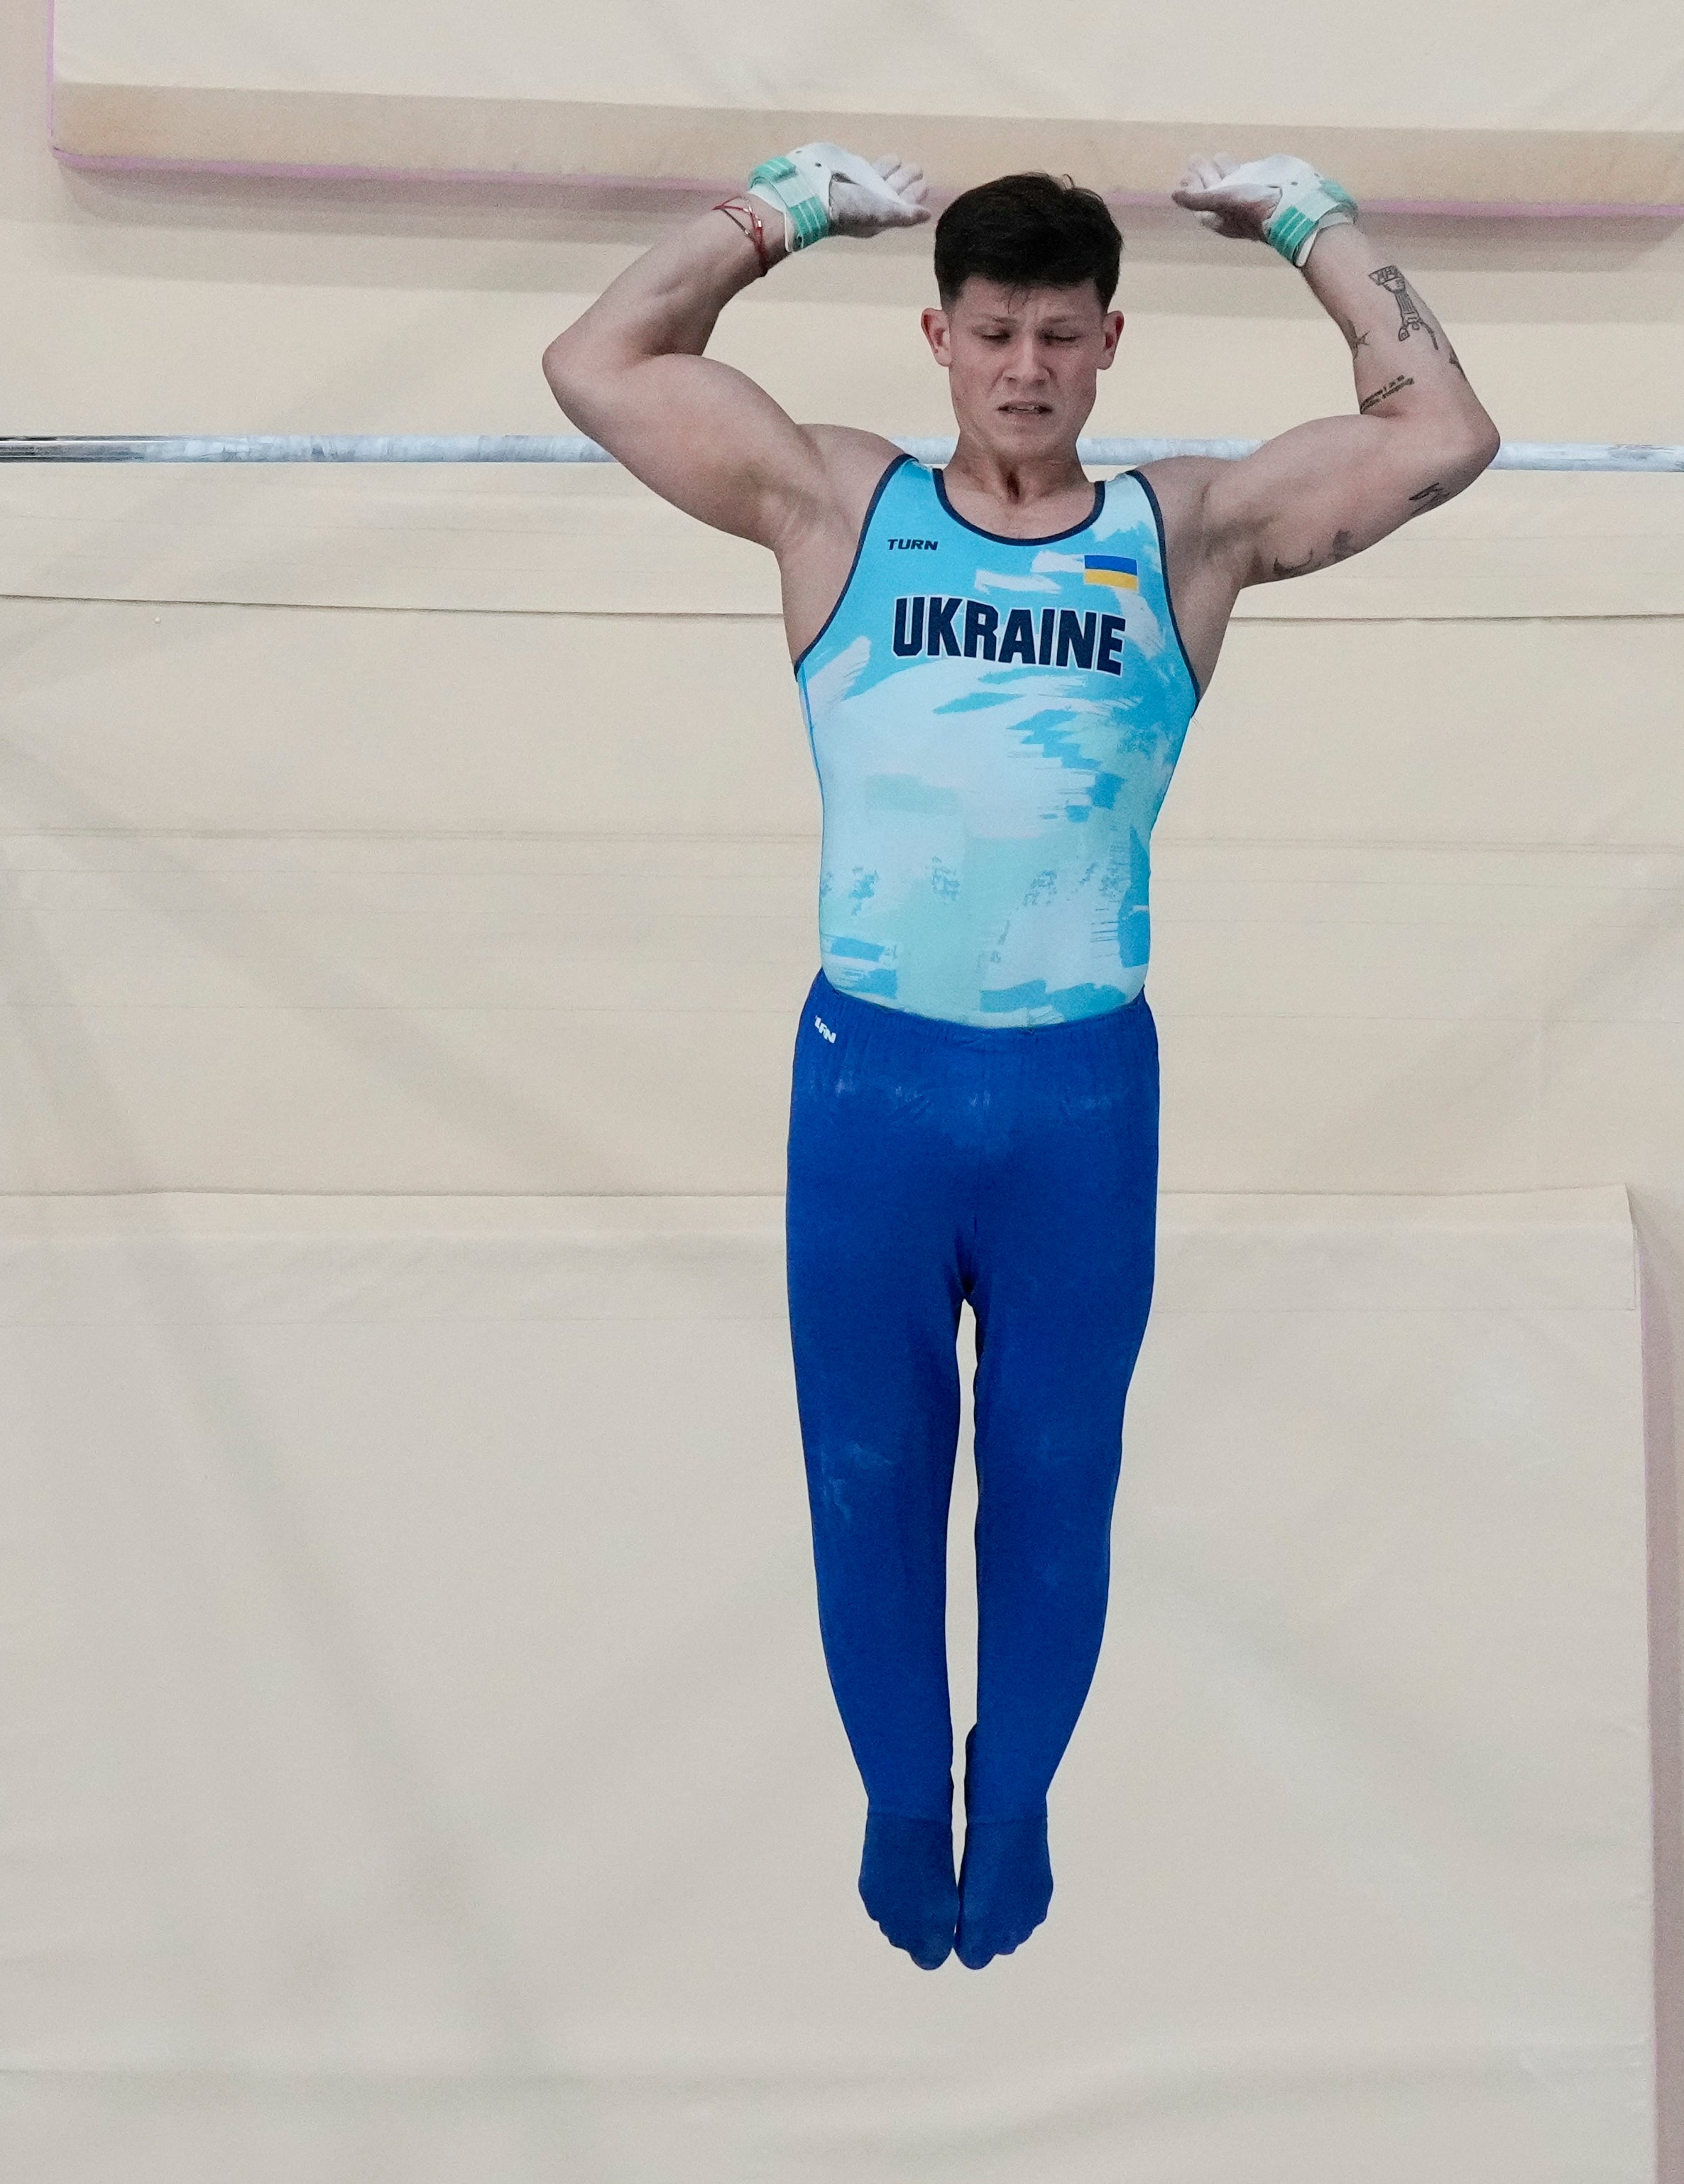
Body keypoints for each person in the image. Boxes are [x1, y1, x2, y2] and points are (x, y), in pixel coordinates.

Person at [544, 146, 1499, 1970]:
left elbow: (1441, 427)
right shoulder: (832, 503)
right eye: (995, 333)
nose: (1028, 369)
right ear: (941, 335)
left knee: (1057, 1474)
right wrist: (778, 210)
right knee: (871, 1475)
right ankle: (907, 1793)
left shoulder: (1187, 531)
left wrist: (1315, 223)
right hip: (875, 1094)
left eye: (1063, 335)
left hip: (1076, 1103)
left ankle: (1026, 1776)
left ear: (1112, 343)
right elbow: (598, 362)